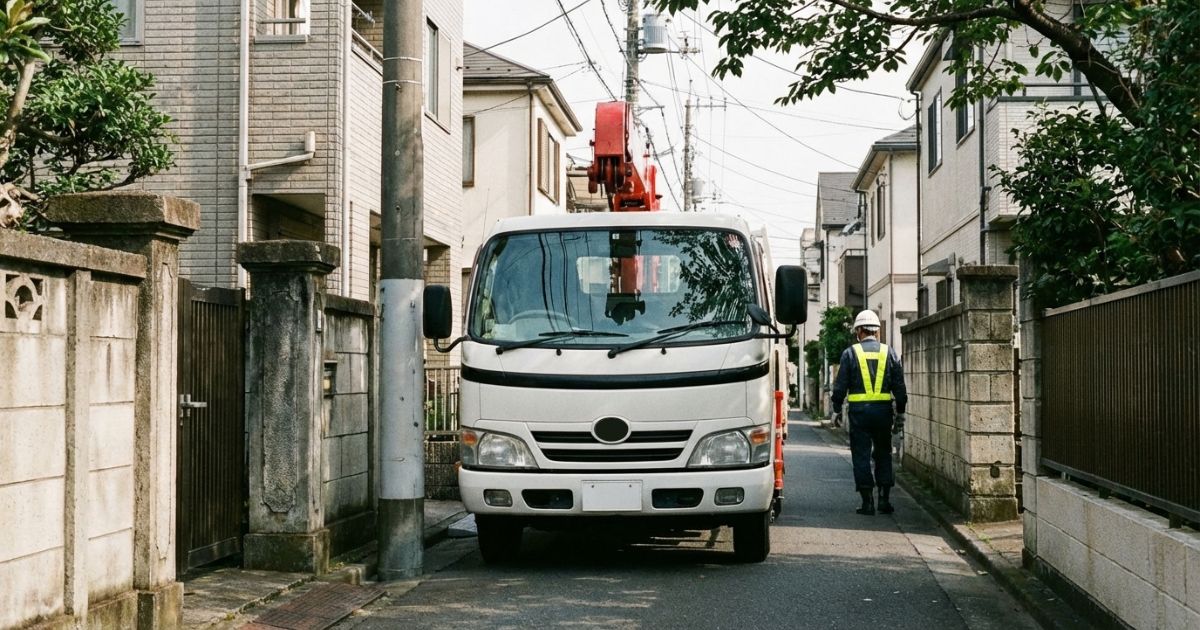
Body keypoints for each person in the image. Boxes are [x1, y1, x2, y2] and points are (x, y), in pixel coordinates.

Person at [831, 310, 907, 515]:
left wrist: (836, 410)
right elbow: (900, 387)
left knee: (861, 456)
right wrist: (900, 413)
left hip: (859, 415)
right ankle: (884, 500)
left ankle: (867, 503)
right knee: (884, 453)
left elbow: (840, 387)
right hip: (883, 413)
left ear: (859, 331)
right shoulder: (889, 352)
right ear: (877, 330)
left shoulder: (849, 353)